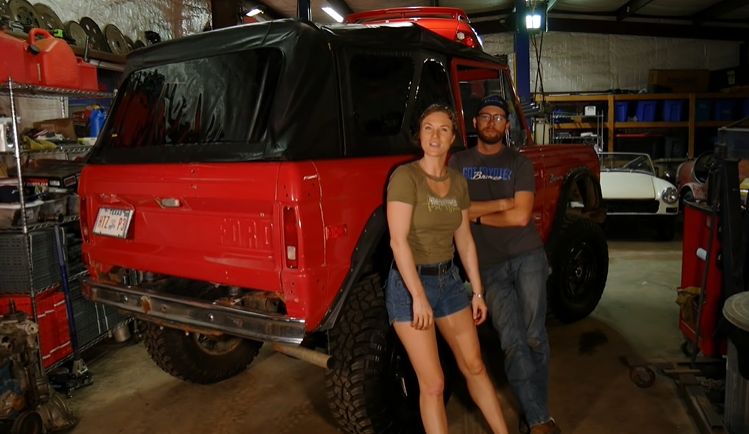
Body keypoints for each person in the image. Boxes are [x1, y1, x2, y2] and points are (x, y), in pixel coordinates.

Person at [386, 104, 509, 434]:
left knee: (475, 366)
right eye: (428, 128)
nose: (434, 135)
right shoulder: (405, 177)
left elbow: (465, 240)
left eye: (443, 129)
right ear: (419, 135)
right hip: (411, 286)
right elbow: (398, 243)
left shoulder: (457, 181)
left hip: (449, 283)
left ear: (453, 137)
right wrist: (418, 298)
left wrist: (478, 292)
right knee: (434, 384)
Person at [448, 95, 561, 434]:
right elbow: (456, 212)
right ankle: (539, 419)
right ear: (475, 123)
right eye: (485, 117)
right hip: (489, 266)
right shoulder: (458, 162)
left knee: (534, 338)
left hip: (527, 256)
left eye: (499, 117)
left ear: (507, 126)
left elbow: (521, 215)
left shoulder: (519, 163)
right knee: (512, 342)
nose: (492, 123)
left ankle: (534, 416)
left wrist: (475, 215)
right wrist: (499, 204)